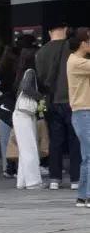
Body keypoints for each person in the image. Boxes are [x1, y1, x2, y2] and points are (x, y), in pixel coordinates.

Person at [36, 22, 82, 191]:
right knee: (74, 140)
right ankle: (76, 179)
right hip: (71, 99)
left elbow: (40, 78)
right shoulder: (72, 49)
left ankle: (55, 178)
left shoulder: (41, 52)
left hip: (51, 100)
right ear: (65, 30)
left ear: (49, 32)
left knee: (55, 141)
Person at [11, 46, 43, 190]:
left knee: (25, 149)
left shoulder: (22, 72)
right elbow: (27, 88)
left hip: (20, 114)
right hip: (25, 115)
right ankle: (33, 181)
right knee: (30, 148)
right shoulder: (30, 72)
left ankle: (22, 181)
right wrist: (40, 97)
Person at [67, 27, 90, 208]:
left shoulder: (78, 60)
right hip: (84, 112)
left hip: (82, 113)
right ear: (83, 44)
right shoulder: (78, 62)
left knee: (86, 157)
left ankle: (82, 196)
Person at [0, 45, 18, 178]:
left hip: (4, 107)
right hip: (17, 105)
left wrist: (3, 97)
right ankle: (16, 167)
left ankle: (6, 167)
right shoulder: (19, 70)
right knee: (18, 138)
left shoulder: (0, 70)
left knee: (5, 139)